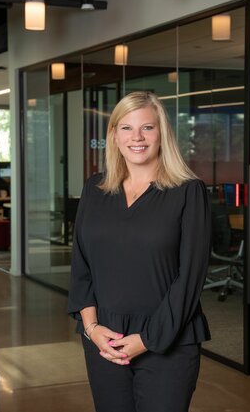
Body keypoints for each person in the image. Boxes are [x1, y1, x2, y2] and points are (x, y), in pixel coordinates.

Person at [68, 91, 211, 412]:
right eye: (126, 128)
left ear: (162, 134)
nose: (137, 137)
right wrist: (92, 330)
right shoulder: (95, 189)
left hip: (168, 339)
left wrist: (145, 340)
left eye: (147, 128)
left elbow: (190, 279)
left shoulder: (188, 192)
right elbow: (81, 266)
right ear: (114, 136)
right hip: (104, 338)